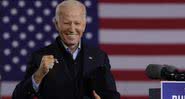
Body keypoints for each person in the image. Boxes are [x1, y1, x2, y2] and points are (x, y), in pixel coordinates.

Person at [12, 0, 120, 99]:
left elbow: (112, 96)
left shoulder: (99, 57)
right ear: (56, 24)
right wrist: (38, 75)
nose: (72, 29)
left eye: (77, 23)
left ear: (84, 25)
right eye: (67, 23)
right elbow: (18, 97)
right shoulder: (39, 56)